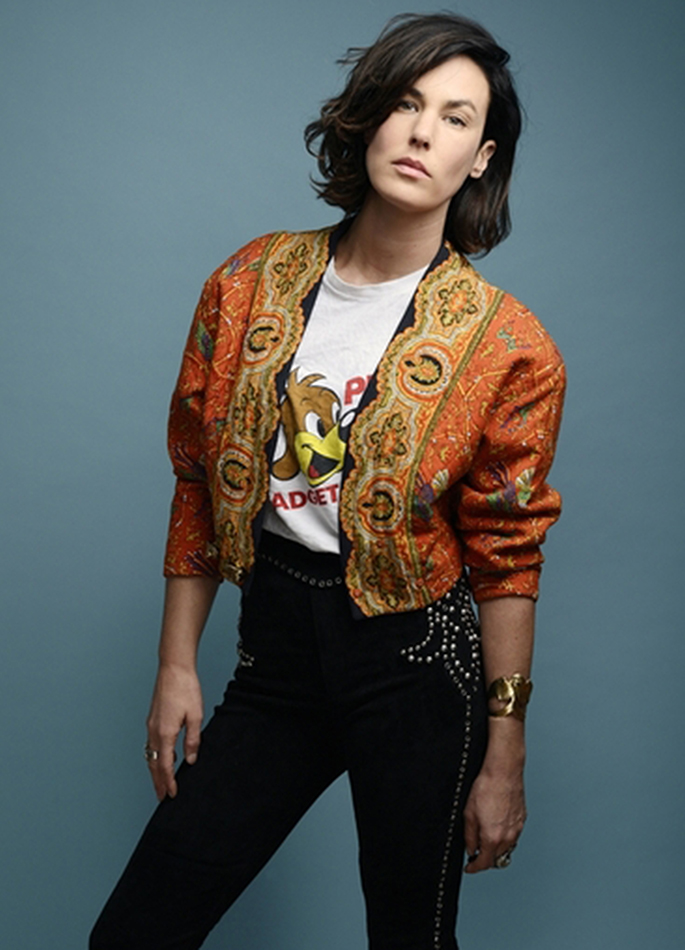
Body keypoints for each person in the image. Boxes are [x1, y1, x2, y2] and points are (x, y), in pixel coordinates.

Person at [90, 12, 565, 950]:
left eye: (455, 118)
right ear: (369, 118)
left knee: (409, 938)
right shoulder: (248, 282)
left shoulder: (508, 345)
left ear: (480, 158)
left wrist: (503, 750)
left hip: (417, 664)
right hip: (275, 645)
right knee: (139, 929)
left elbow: (507, 555)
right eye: (405, 103)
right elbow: (196, 479)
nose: (422, 132)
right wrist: (176, 665)